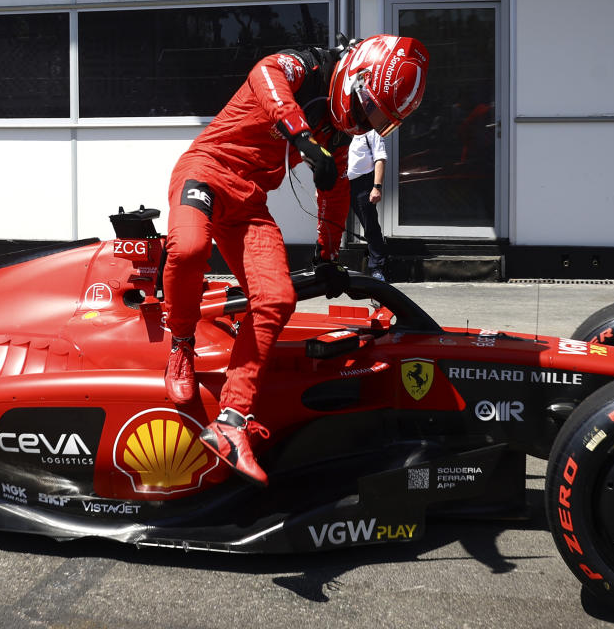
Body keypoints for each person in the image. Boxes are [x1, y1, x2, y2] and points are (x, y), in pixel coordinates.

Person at [162, 34, 429, 486]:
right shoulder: (307, 68)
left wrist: (327, 254)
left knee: (278, 298)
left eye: (380, 119)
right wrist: (303, 137)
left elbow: (337, 188)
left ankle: (231, 422)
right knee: (189, 249)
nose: (366, 121)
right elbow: (264, 72)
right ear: (359, 74)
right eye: (369, 107)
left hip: (249, 204)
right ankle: (181, 345)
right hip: (205, 171)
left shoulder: (343, 134)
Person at [348, 129, 388, 281]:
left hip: (362, 183)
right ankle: (326, 263)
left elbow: (380, 158)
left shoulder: (370, 131)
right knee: (330, 223)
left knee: (370, 225)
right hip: (340, 181)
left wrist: (377, 187)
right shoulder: (338, 128)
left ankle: (377, 268)